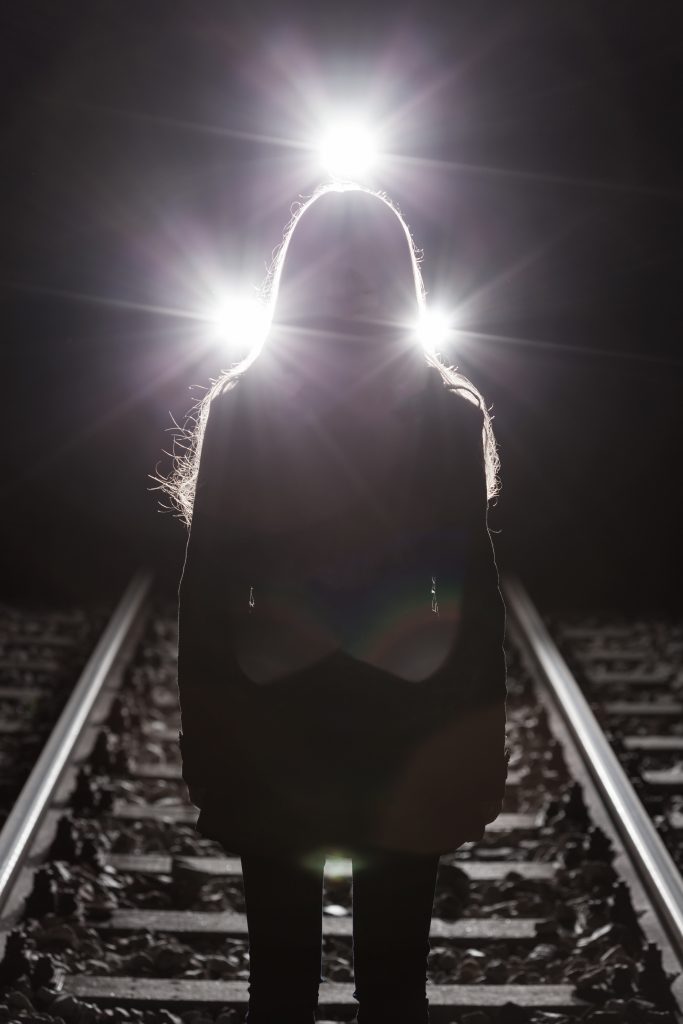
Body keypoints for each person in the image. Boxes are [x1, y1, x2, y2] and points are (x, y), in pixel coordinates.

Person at [161, 183, 509, 1024]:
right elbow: (203, 594)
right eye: (336, 265)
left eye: (366, 267)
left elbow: (474, 599)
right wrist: (209, 736)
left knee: (365, 989)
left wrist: (476, 739)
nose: (351, 283)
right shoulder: (430, 414)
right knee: (308, 988)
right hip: (321, 725)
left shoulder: (439, 417)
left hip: (348, 723)